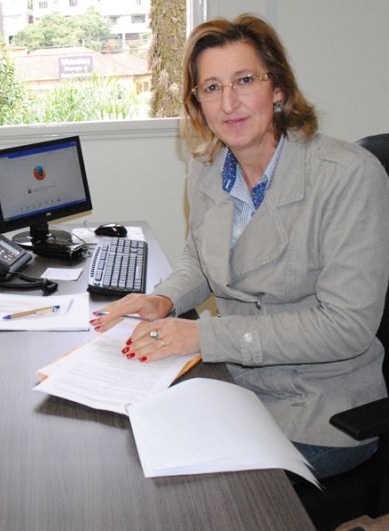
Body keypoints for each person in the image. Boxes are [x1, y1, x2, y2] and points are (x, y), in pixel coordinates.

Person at [93, 15, 389, 479]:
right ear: (198, 103)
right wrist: (163, 299)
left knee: (195, 489)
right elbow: (201, 259)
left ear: (278, 89)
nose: (228, 103)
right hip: (238, 383)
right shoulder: (208, 168)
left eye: (245, 80)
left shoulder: (347, 176)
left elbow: (346, 327)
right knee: (126, 445)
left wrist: (203, 337)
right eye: (211, 88)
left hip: (322, 407)